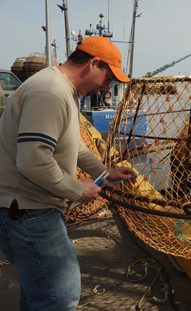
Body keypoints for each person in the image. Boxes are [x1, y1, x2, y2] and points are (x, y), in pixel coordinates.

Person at [0, 36, 137, 310]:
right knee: (58, 297)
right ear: (93, 64)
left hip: (31, 209)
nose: (107, 87)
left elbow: (71, 143)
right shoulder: (50, 92)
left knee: (40, 290)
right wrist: (78, 189)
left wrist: (104, 172)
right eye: (108, 78)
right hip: (30, 212)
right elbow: (33, 160)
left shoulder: (62, 89)